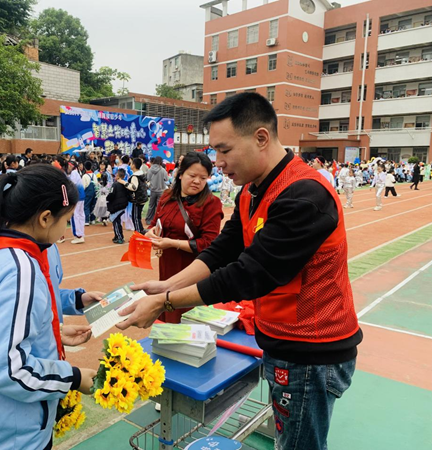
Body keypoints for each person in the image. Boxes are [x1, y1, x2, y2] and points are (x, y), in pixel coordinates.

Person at [117, 93, 362, 450]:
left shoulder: (304, 195)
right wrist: (166, 285)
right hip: (281, 339)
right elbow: (222, 251)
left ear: (261, 138)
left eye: (224, 150)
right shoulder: (251, 191)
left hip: (311, 351)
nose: (218, 162)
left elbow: (248, 274)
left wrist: (165, 302)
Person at [0, 165, 97, 449]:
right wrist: (73, 378)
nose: (66, 229)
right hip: (15, 433)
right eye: (65, 220)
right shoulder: (21, 269)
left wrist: (45, 332)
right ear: (45, 218)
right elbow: (4, 368)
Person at [145, 151, 223, 323]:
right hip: (167, 263)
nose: (197, 181)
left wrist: (171, 243)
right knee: (166, 306)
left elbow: (208, 244)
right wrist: (150, 232)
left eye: (203, 178)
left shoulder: (211, 203)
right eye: (192, 175)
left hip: (193, 267)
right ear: (180, 174)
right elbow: (155, 223)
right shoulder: (167, 196)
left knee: (188, 314)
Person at [119, 158, 148, 234]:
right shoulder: (141, 174)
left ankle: (138, 233)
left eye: (131, 163)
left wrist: (124, 183)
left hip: (137, 199)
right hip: (143, 197)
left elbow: (134, 187)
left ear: (134, 165)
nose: (130, 164)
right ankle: (141, 230)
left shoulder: (135, 176)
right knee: (138, 216)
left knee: (135, 217)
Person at [107, 169, 129, 244]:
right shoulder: (125, 184)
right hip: (122, 205)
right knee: (117, 221)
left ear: (117, 176)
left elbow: (111, 194)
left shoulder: (115, 184)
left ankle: (119, 237)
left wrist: (107, 198)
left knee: (116, 221)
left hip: (117, 205)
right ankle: (117, 235)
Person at [145, 156, 169, 225]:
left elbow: (148, 179)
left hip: (152, 190)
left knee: (151, 206)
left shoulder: (150, 169)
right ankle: (159, 221)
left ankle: (149, 220)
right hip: (161, 190)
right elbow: (166, 179)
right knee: (159, 207)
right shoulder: (163, 170)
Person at [82, 161, 98, 225]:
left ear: (84, 167)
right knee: (93, 205)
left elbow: (83, 186)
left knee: (86, 206)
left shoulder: (84, 176)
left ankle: (86, 220)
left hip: (88, 193)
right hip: (94, 192)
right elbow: (96, 184)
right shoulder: (94, 175)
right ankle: (93, 219)